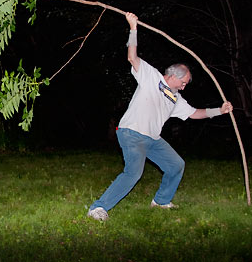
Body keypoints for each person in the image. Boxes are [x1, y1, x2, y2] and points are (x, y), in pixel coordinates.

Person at [87, 12, 233, 221]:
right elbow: (132, 57)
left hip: (153, 139)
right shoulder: (150, 76)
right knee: (133, 173)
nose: (184, 87)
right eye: (184, 83)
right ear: (173, 76)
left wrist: (220, 110)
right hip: (132, 134)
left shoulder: (175, 98)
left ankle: (161, 201)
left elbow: (194, 114)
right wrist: (133, 28)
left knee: (176, 164)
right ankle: (97, 208)